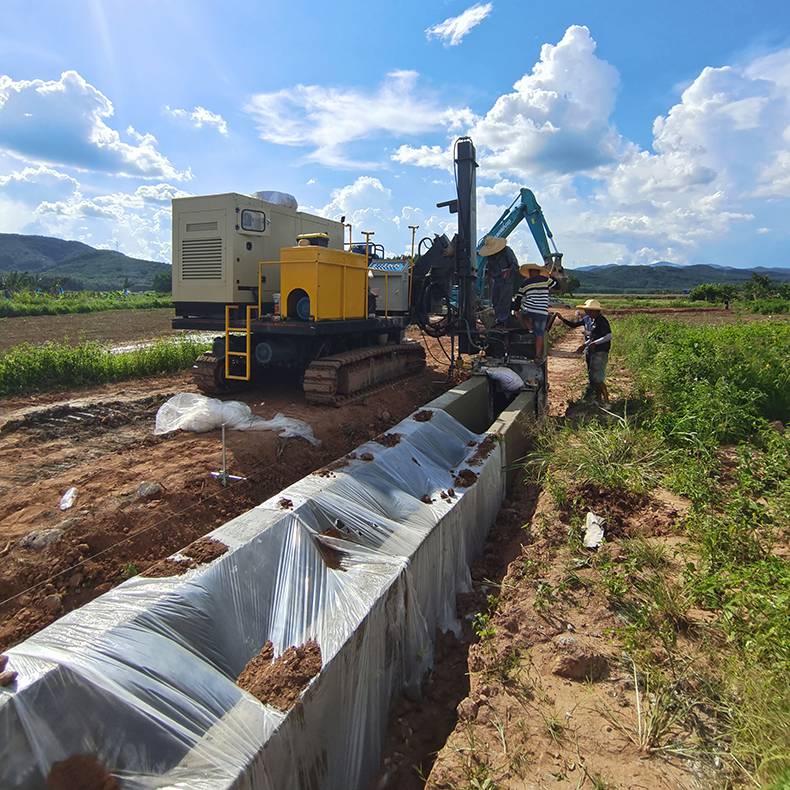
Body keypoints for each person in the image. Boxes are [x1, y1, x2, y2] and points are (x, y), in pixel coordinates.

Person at [561, 298, 612, 403]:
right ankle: (598, 399)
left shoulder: (601, 321)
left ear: (596, 311)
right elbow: (592, 337)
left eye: (589, 310)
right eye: (586, 310)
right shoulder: (590, 319)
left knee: (598, 378)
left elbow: (608, 336)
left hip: (600, 352)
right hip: (593, 351)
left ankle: (606, 401)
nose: (587, 312)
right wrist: (585, 345)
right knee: (593, 376)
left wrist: (593, 343)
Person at [516, 263, 557, 360]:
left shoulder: (525, 283)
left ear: (529, 273)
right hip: (542, 311)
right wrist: (553, 277)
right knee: (540, 334)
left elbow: (518, 301)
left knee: (519, 313)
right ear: (539, 272)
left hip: (529, 309)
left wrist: (513, 308)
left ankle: (529, 329)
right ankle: (538, 355)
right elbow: (557, 286)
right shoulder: (546, 280)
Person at [479, 235, 518, 326]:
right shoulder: (490, 255)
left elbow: (515, 265)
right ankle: (499, 319)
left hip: (507, 280)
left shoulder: (507, 251)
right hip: (497, 280)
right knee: (496, 300)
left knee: (504, 300)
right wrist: (488, 276)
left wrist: (508, 271)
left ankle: (503, 321)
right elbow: (489, 269)